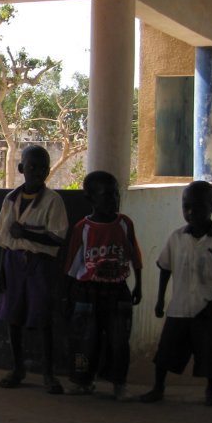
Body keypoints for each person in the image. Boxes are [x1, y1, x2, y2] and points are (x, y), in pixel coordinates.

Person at [141, 181, 212, 407]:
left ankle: (211, 390)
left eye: (199, 207)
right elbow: (165, 268)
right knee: (166, 350)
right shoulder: (176, 237)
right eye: (186, 207)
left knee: (211, 351)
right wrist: (160, 300)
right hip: (180, 306)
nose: (191, 212)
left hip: (209, 306)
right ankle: (158, 387)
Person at [0, 145, 68, 394]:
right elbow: (3, 238)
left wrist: (25, 233)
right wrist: (1, 272)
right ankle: (17, 368)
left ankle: (48, 374)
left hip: (39, 264)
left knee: (43, 318)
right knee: (13, 317)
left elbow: (57, 239)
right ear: (21, 168)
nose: (37, 172)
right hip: (13, 262)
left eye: (43, 168)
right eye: (32, 167)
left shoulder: (53, 201)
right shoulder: (10, 199)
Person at [63, 170, 143, 399]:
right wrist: (67, 296)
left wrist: (138, 285)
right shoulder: (83, 228)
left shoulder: (124, 224)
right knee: (85, 340)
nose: (113, 200)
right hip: (88, 291)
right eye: (107, 195)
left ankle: (120, 384)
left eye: (115, 194)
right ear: (90, 198)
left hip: (117, 290)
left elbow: (135, 256)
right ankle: (82, 381)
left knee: (119, 340)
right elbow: (72, 264)